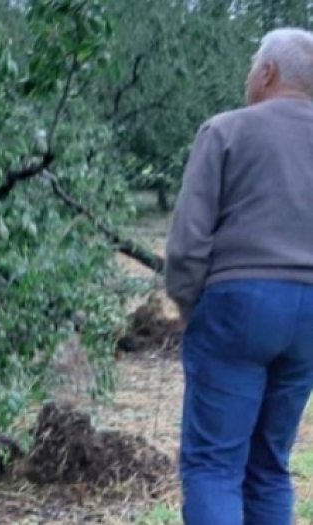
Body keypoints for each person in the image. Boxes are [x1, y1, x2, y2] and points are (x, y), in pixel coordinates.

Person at [165, 27, 313, 525]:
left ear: (268, 72)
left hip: (238, 304)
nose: (249, 74)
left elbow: (188, 237)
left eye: (252, 64)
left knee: (213, 465)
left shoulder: (227, 129)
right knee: (269, 467)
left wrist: (186, 304)